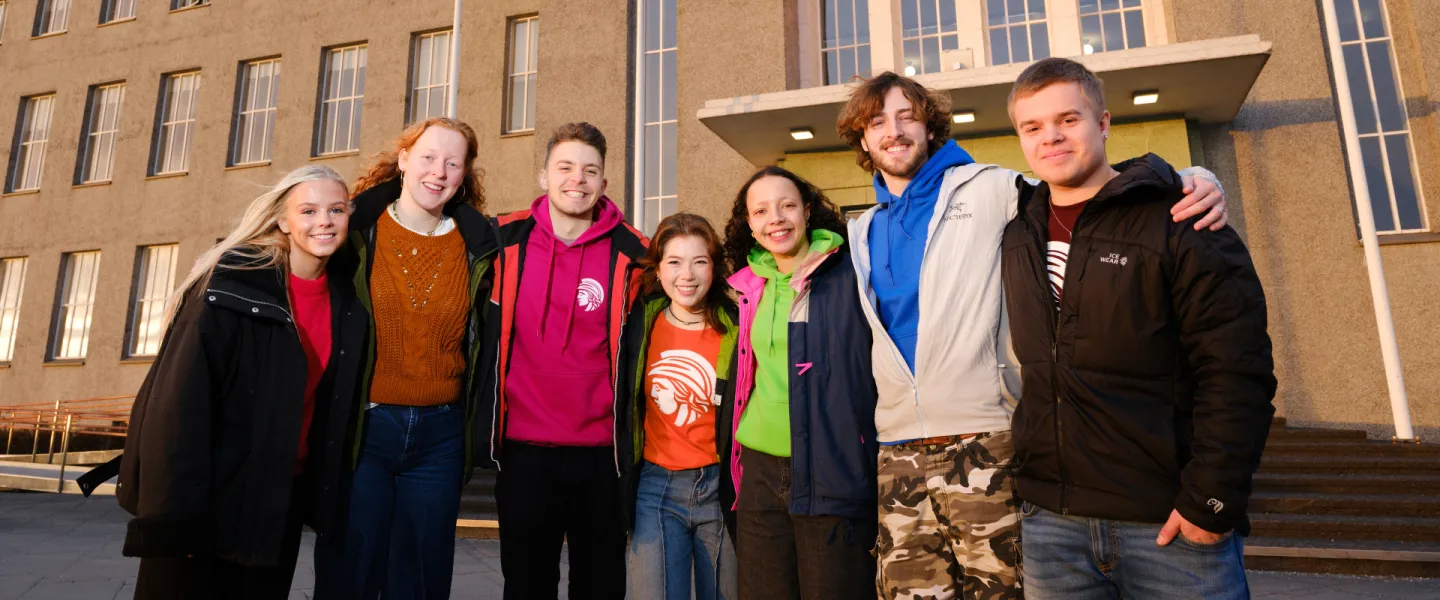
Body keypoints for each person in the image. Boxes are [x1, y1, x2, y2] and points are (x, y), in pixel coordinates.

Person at [835, 70, 1230, 599]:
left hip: (984, 440)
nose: (894, 130)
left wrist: (1192, 176)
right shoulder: (860, 230)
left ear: (930, 126)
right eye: (877, 121)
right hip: (896, 449)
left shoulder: (992, 187)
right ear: (862, 139)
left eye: (907, 115)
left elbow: (1087, 188)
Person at [1001, 57, 1276, 600]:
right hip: (1052, 527)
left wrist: (1211, 501)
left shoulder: (1182, 219)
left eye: (1068, 120)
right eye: (1032, 127)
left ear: (1103, 122)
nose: (1050, 137)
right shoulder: (1016, 232)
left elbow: (1236, 370)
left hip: (1168, 525)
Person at [117, 165, 365, 599]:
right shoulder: (231, 288)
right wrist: (173, 518)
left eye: (336, 209)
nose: (323, 220)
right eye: (308, 210)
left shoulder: (347, 303)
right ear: (283, 220)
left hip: (274, 504)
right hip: (206, 501)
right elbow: (177, 406)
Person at [314, 117, 498, 599]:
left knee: (420, 578)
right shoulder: (355, 233)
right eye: (429, 157)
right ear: (403, 160)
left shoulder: (479, 246)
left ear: (464, 175)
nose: (438, 171)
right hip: (367, 428)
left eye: (453, 163)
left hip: (441, 435)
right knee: (352, 570)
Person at [477, 122, 649, 600]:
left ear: (603, 183)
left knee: (600, 586)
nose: (578, 179)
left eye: (590, 170)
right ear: (543, 176)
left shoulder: (636, 255)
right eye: (566, 167)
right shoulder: (500, 240)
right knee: (527, 586)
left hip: (601, 457)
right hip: (523, 453)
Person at [722, 166, 879, 600]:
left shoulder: (850, 275)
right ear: (750, 225)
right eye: (761, 211)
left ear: (807, 212)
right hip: (759, 468)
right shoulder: (748, 286)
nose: (776, 218)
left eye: (787, 205)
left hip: (832, 463)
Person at [618, 212, 740, 600]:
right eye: (674, 261)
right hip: (656, 487)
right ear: (658, 267)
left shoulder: (738, 328)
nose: (686, 275)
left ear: (714, 267)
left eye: (699, 261)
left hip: (720, 489)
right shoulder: (638, 324)